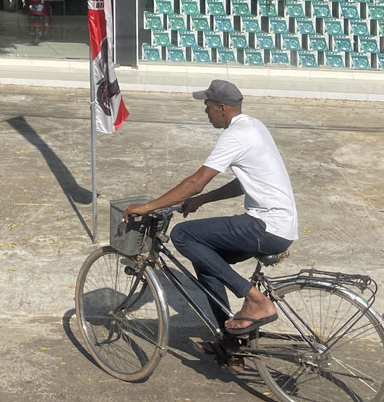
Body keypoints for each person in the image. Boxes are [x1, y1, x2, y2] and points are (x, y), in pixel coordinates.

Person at [122, 79, 297, 365]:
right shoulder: (254, 126)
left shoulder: (236, 135)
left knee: (183, 235)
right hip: (280, 225)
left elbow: (196, 182)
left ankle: (256, 300)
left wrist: (149, 206)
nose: (206, 112)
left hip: (266, 225)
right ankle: (231, 346)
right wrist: (202, 201)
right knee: (206, 263)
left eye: (207, 106)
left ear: (222, 107)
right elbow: (242, 184)